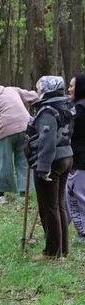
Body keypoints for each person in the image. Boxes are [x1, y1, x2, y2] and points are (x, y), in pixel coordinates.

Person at [26, 75, 74, 259]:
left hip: (52, 162)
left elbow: (47, 141)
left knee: (49, 207)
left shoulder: (48, 110)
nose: (38, 91)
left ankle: (52, 252)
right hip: (66, 157)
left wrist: (43, 168)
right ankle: (63, 250)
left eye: (40, 87)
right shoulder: (65, 107)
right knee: (58, 205)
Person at [0, 79, 38, 204]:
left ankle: (1, 196)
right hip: (26, 127)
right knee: (23, 161)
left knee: (4, 162)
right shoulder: (12, 89)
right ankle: (23, 195)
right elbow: (32, 95)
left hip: (5, 131)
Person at [67, 73, 85, 244]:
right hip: (78, 159)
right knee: (69, 194)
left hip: (81, 160)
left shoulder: (80, 110)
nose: (69, 89)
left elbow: (74, 134)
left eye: (72, 86)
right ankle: (58, 228)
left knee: (78, 196)